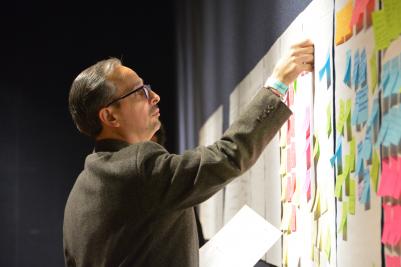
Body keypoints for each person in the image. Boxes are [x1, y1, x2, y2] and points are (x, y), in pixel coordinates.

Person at [63, 39, 314, 267]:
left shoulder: (77, 195)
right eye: (140, 92)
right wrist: (276, 86)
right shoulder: (136, 166)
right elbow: (227, 157)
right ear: (109, 116)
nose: (155, 97)